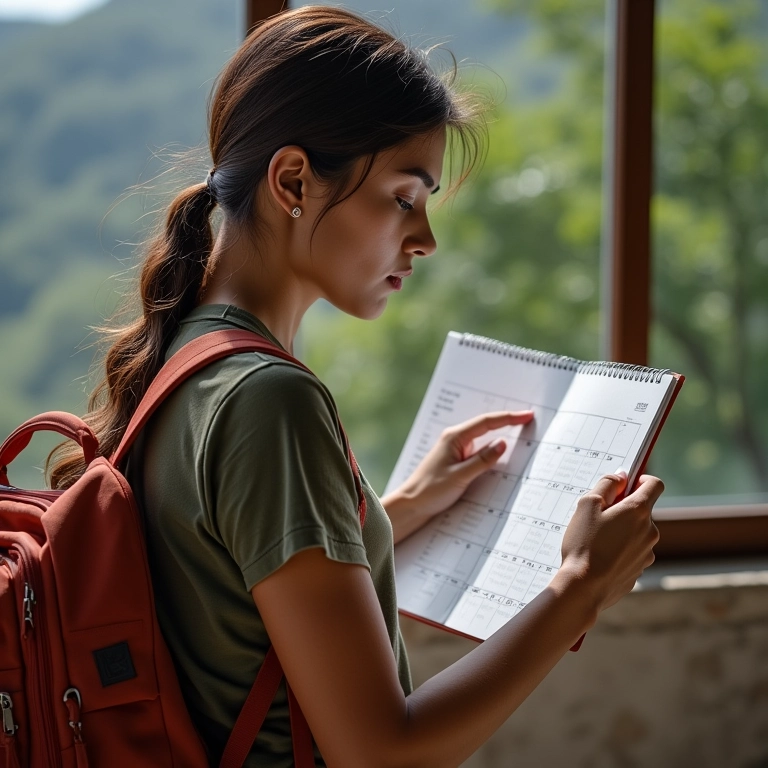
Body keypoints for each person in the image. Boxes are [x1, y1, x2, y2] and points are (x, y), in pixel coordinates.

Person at [48, 6, 662, 767]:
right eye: (405, 197)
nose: (426, 238)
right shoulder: (269, 401)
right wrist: (580, 584)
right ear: (294, 180)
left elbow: (230, 583)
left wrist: (389, 511)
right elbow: (380, 752)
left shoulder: (186, 356)